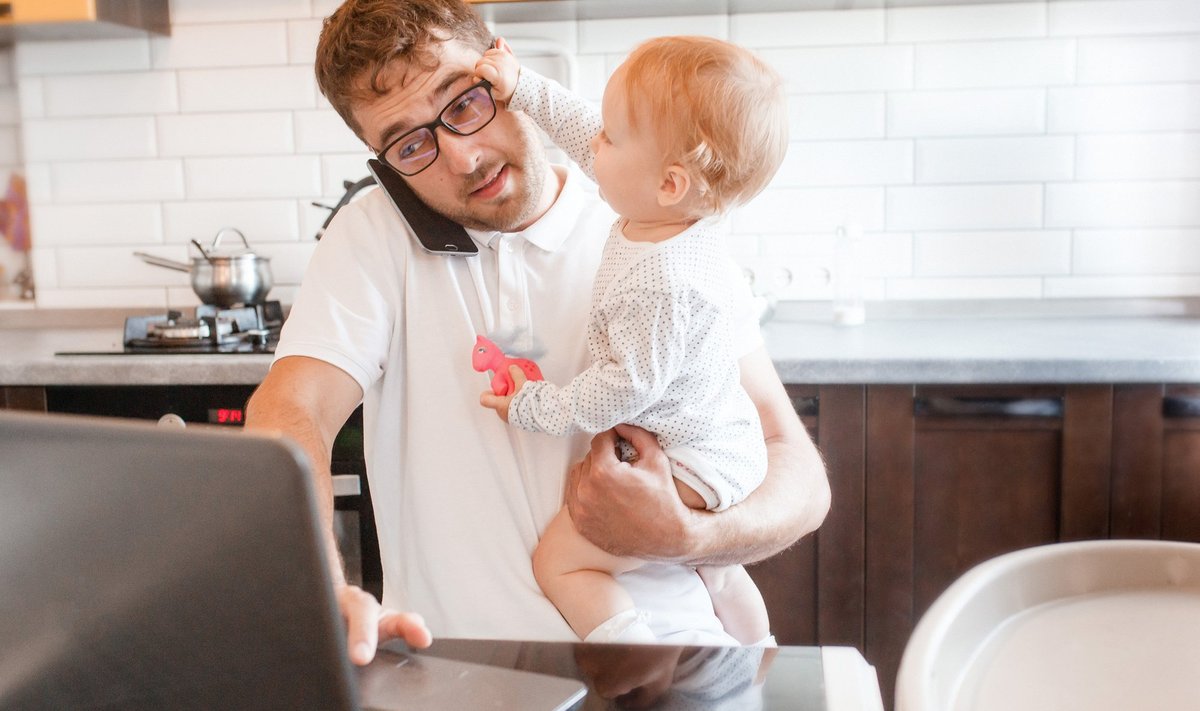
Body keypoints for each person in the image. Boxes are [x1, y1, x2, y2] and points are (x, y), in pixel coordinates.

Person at [244, 0, 830, 665]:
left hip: (676, 662)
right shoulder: (372, 236)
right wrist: (317, 587)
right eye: (411, 144)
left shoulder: (653, 229)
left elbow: (799, 476)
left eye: (464, 103)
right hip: (462, 674)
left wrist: (688, 534)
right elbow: (290, 410)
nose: (462, 158)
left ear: (500, 68)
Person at [474, 36, 787, 646]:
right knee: (718, 575)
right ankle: (761, 656)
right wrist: (523, 88)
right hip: (723, 444)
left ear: (669, 181)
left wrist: (535, 407)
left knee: (562, 563)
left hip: (692, 461)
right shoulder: (670, 212)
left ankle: (634, 659)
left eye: (612, 137)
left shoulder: (661, 281)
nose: (595, 144)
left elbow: (624, 387)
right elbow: (583, 129)